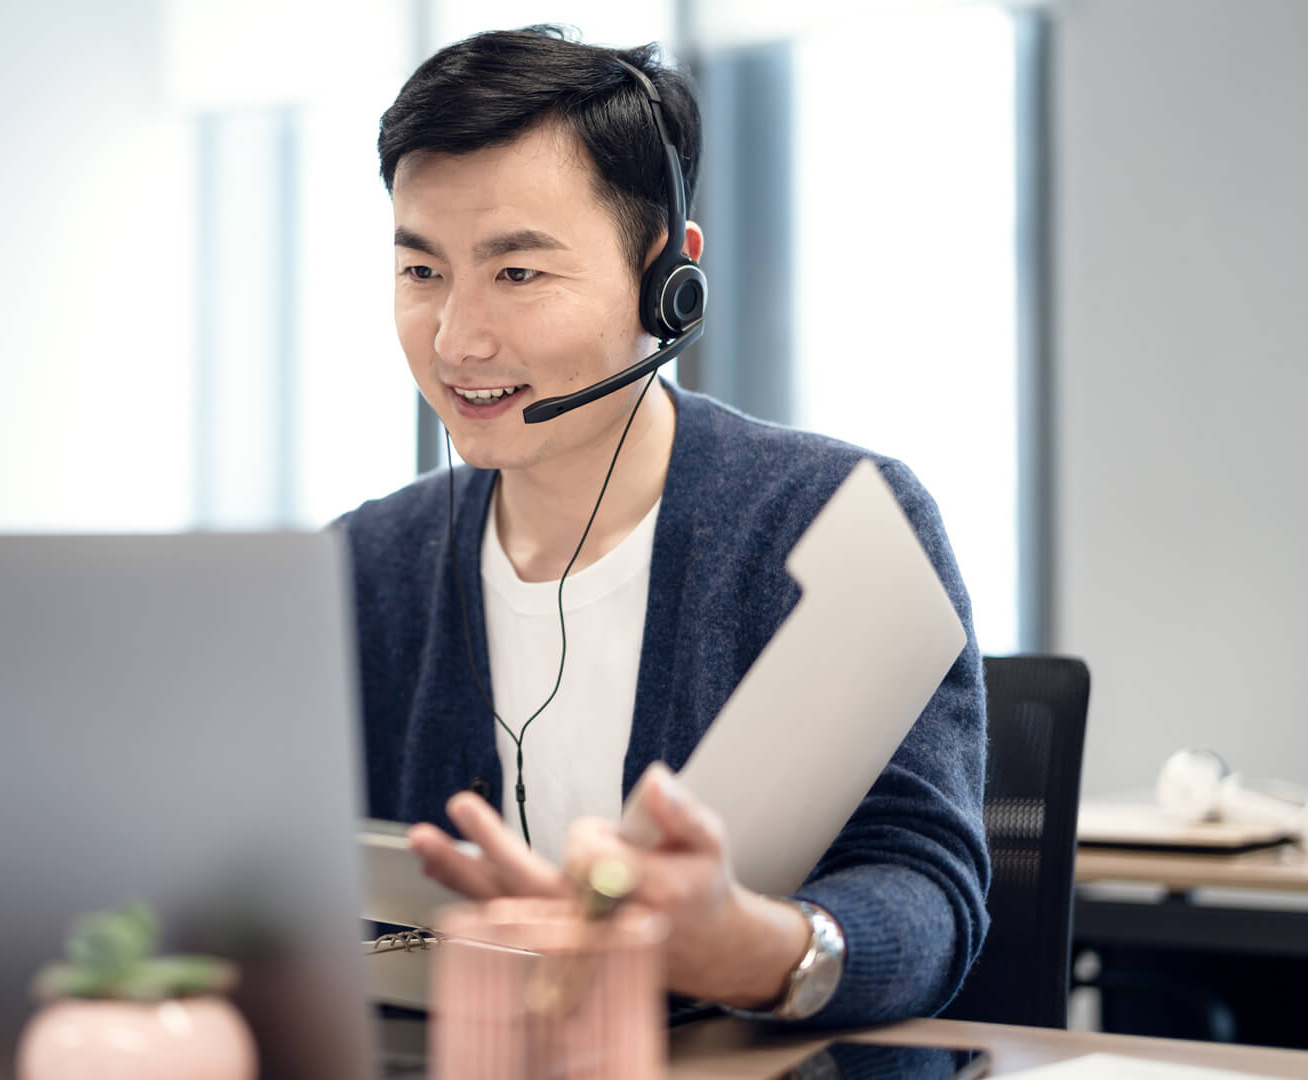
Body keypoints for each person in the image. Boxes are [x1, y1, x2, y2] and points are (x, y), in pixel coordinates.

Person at [335, 26, 991, 1026]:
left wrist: (755, 948)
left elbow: (926, 892)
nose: (457, 339)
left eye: (518, 274)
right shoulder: (364, 565)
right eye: (422, 273)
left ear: (665, 278)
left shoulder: (830, 530)